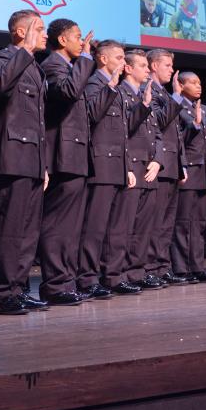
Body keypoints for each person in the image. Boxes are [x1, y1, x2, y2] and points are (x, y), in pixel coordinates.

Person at [0, 10, 49, 315]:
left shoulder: (35, 68)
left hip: (33, 160)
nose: (45, 34)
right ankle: (0, 295)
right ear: (21, 33)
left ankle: (18, 289)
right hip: (11, 158)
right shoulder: (4, 57)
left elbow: (37, 121)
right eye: (39, 28)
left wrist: (43, 164)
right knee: (9, 230)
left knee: (27, 231)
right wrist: (23, 52)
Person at [39, 18, 96, 305]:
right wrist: (86, 58)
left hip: (75, 156)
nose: (82, 42)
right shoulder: (52, 65)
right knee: (58, 224)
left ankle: (66, 281)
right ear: (62, 40)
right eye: (77, 37)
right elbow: (68, 92)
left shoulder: (71, 67)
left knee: (71, 227)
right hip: (61, 156)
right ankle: (55, 284)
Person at [76, 40, 128, 299]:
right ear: (104, 59)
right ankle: (86, 279)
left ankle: (107, 276)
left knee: (110, 228)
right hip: (100, 164)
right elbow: (93, 115)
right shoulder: (95, 82)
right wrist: (111, 86)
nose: (123, 62)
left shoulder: (115, 87)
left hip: (115, 165)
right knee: (94, 228)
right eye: (119, 57)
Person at [107, 49, 162, 292]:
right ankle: (114, 275)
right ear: (128, 68)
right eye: (142, 65)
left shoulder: (144, 94)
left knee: (143, 228)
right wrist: (127, 167)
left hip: (149, 169)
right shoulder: (120, 94)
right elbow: (121, 133)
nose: (148, 70)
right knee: (122, 227)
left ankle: (136, 272)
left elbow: (158, 134)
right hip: (132, 168)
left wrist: (159, 160)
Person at [172, 71, 206, 282]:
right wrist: (195, 125)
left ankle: (197, 267)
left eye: (199, 82)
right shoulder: (177, 106)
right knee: (183, 222)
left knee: (199, 223)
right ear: (181, 86)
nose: (198, 86)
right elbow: (178, 140)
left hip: (205, 172)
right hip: (188, 170)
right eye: (193, 82)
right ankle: (181, 268)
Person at [146, 49, 186, 285]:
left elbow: (175, 134)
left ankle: (162, 266)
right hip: (157, 164)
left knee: (166, 222)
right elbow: (159, 122)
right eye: (168, 65)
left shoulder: (165, 92)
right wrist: (177, 97)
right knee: (155, 220)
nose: (172, 71)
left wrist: (182, 164)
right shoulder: (149, 91)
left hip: (172, 164)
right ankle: (150, 266)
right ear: (153, 66)